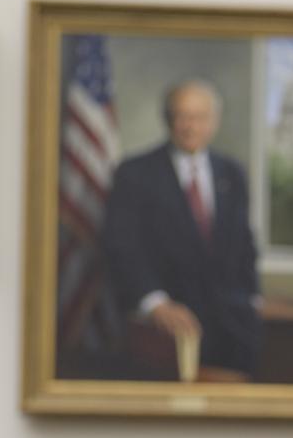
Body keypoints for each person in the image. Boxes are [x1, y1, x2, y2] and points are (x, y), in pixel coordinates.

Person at [101, 79, 262, 379]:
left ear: (214, 122)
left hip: (231, 325)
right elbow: (121, 246)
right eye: (182, 116)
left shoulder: (232, 173)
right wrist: (155, 303)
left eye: (200, 117)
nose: (190, 126)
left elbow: (243, 243)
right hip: (163, 329)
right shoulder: (135, 173)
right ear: (168, 119)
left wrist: (251, 300)